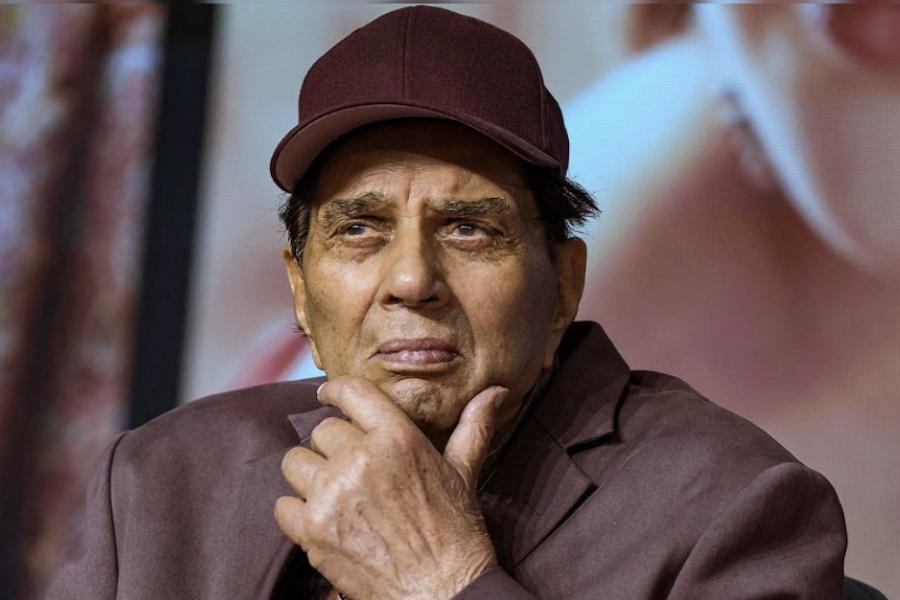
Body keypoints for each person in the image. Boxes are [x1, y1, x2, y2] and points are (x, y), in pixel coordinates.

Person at [46, 6, 847, 600]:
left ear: (563, 285)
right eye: (359, 230)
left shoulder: (735, 507)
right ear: (300, 289)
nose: (410, 280)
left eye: (469, 229)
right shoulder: (158, 481)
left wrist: (440, 581)